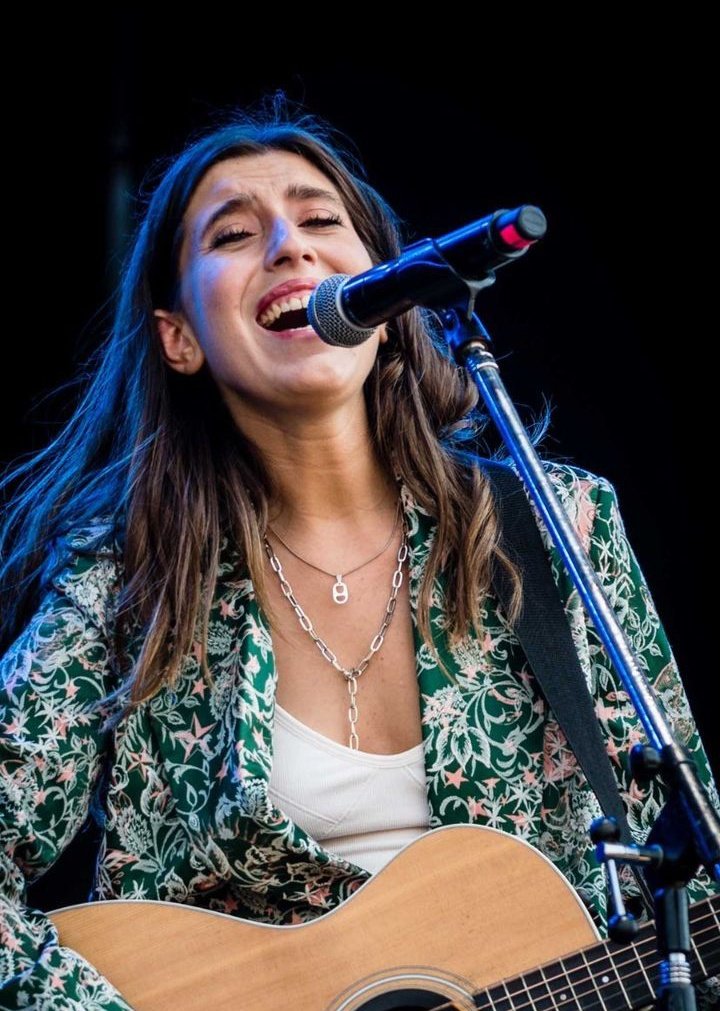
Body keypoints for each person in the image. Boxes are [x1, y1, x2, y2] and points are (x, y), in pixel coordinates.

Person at [1, 98, 717, 1010]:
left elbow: (689, 868)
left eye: (319, 219)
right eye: (233, 233)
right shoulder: (125, 573)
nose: (289, 247)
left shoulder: (556, 524)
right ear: (178, 336)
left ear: (388, 296)